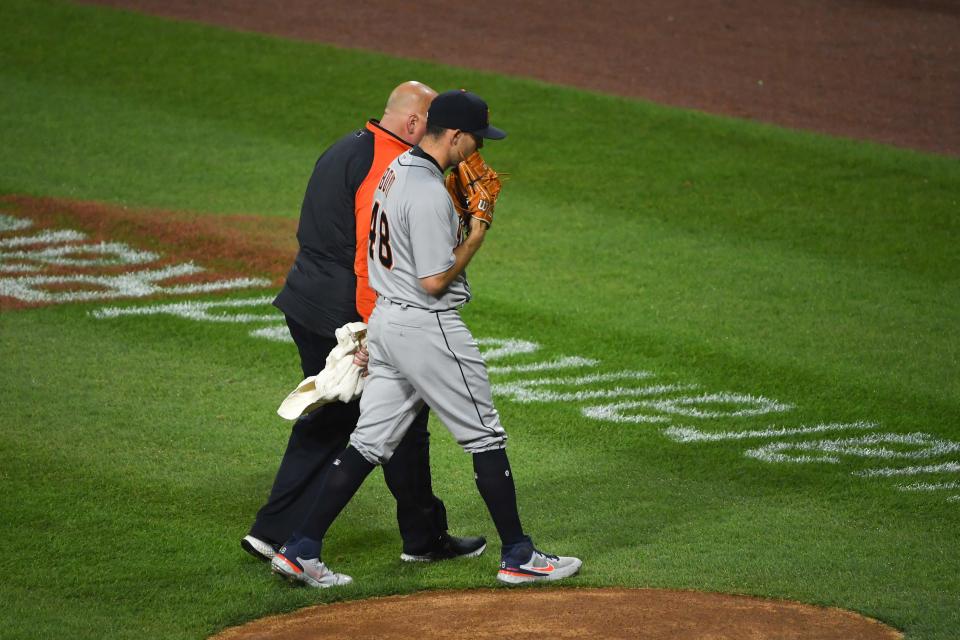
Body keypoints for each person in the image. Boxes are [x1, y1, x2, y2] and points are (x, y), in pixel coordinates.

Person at [271, 89, 582, 588]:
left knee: (369, 440)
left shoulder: (394, 172)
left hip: (388, 324)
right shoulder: (429, 191)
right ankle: (519, 554)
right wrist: (476, 233)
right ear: (455, 135)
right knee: (485, 433)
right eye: (477, 139)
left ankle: (302, 547)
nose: (480, 151)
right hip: (427, 324)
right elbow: (435, 280)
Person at [243, 82, 485, 567]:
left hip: (307, 298)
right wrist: (374, 331)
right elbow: (371, 256)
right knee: (401, 425)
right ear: (414, 124)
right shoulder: (389, 167)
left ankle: (273, 531)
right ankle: (420, 537)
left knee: (337, 418)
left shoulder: (348, 146)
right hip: (348, 312)